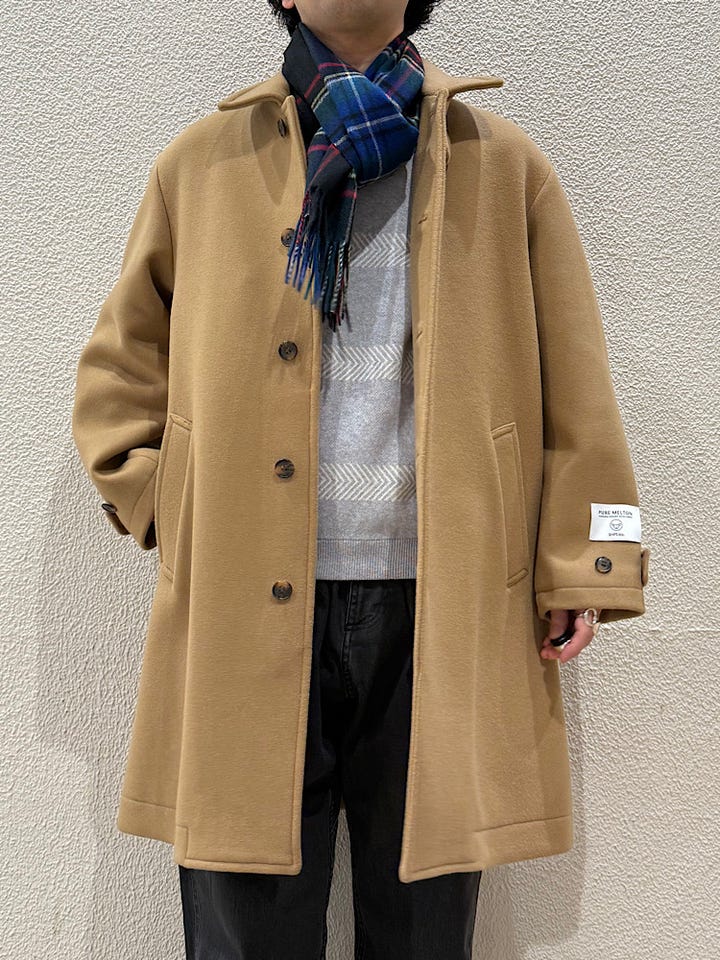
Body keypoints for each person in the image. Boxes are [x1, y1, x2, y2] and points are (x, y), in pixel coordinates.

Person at [71, 0, 651, 956]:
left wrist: (585, 563)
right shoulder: (203, 166)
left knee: (424, 934)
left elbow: (576, 387)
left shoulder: (502, 167)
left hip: (444, 610)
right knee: (246, 931)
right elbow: (118, 375)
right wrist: (171, 506)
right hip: (241, 606)